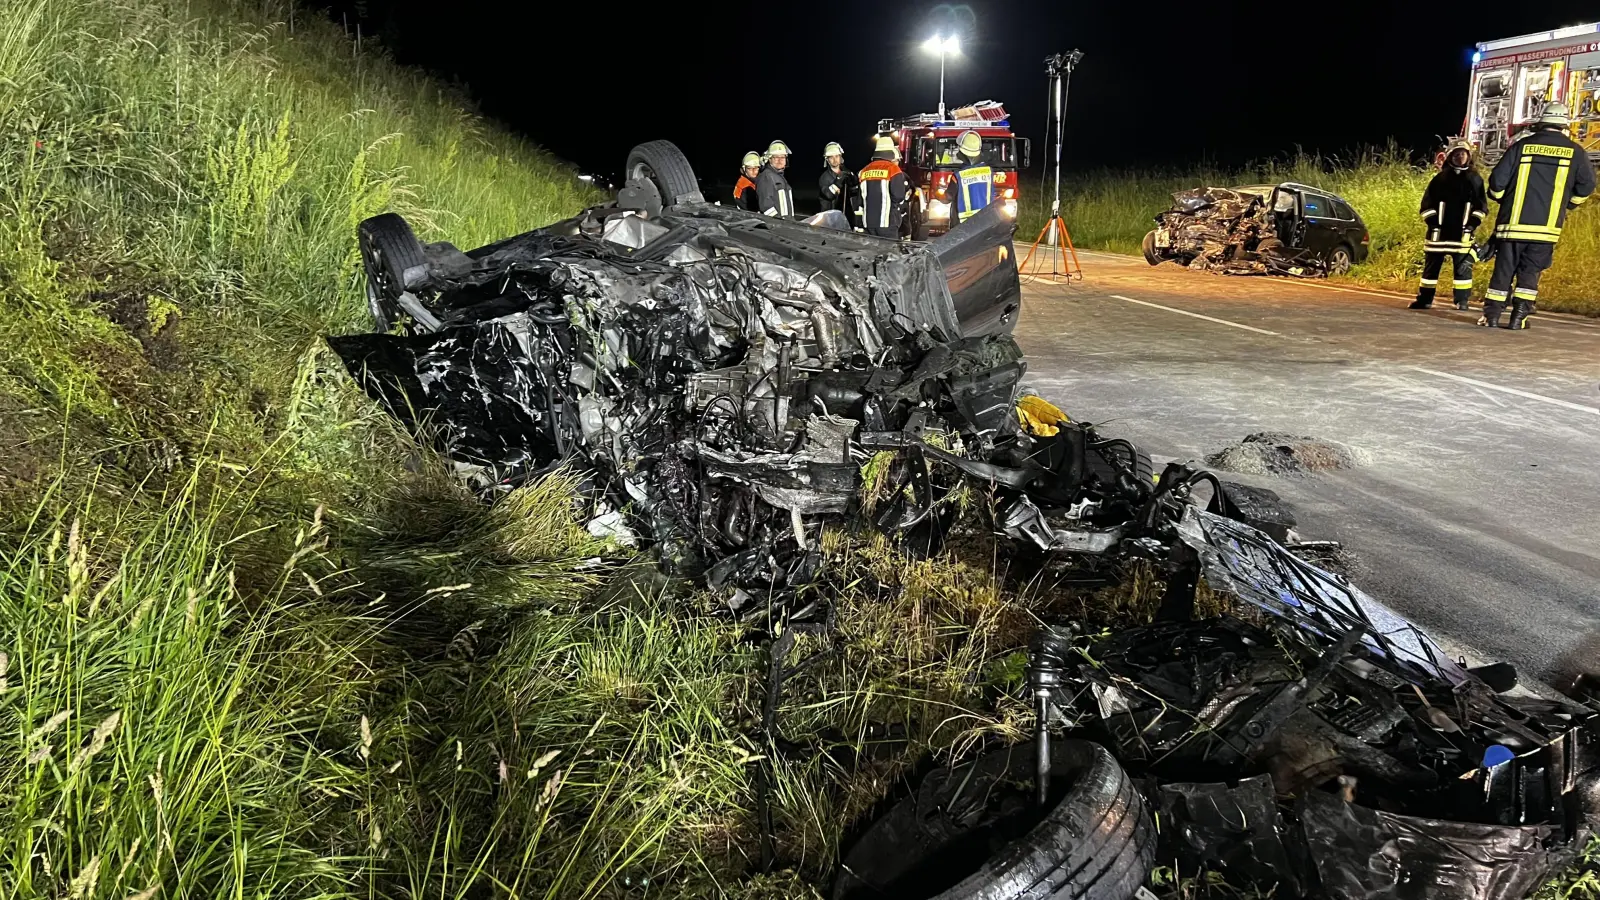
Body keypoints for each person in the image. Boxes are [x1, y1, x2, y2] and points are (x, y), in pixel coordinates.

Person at [1479, 101, 1595, 329]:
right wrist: (1567, 205)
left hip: (1511, 226)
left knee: (1503, 270)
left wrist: (1502, 198)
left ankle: (1492, 316)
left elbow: (1497, 183)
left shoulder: (1522, 146)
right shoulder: (1576, 152)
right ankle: (1519, 316)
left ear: (1541, 123)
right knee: (1530, 272)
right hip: (1546, 229)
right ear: (1564, 125)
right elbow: (1587, 186)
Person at [1408, 139, 1487, 311]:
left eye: (1463, 154)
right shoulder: (1440, 179)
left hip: (1462, 235)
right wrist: (1433, 223)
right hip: (1438, 235)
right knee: (1430, 271)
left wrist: (1472, 224)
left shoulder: (1475, 180)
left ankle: (1462, 301)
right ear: (1450, 157)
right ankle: (1424, 300)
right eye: (1457, 154)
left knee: (1463, 271)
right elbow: (1426, 205)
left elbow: (1481, 207)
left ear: (1469, 157)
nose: (1460, 157)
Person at [858, 135, 909, 238]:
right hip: (888, 224)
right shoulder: (893, 170)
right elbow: (899, 196)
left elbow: (860, 199)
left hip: (868, 223)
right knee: (889, 252)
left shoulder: (864, 171)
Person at [949, 130, 994, 224]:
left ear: (963, 153)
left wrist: (937, 194)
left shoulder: (958, 176)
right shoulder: (989, 172)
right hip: (986, 222)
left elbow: (947, 197)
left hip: (964, 227)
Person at [818, 141, 857, 226]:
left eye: (837, 156)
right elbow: (828, 195)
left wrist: (854, 183)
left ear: (841, 157)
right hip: (830, 219)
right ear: (827, 160)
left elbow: (855, 195)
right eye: (831, 157)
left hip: (847, 217)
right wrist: (838, 181)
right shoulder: (824, 178)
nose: (835, 160)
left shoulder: (847, 173)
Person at [756, 140, 796, 218]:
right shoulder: (766, 176)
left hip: (786, 223)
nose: (780, 160)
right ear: (769, 159)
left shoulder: (779, 177)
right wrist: (778, 221)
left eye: (782, 157)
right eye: (776, 157)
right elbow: (765, 205)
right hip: (777, 225)